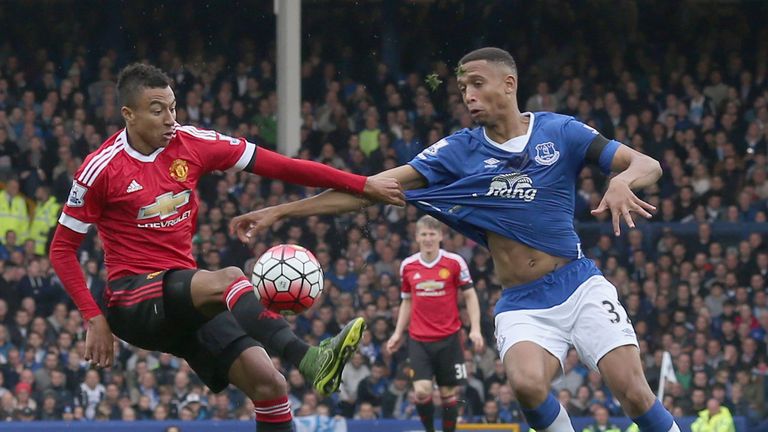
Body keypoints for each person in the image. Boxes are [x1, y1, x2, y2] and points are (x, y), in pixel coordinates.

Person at [231, 47, 680, 432]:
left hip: (579, 285)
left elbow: (648, 164)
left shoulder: (561, 132)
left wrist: (624, 181)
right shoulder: (457, 151)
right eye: (462, 87)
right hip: (522, 301)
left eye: (477, 84)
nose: (468, 95)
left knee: (635, 394)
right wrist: (281, 211)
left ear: (509, 84)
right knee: (526, 385)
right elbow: (367, 189)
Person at [49, 63, 404, 431]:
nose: (170, 118)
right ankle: (308, 358)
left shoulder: (194, 144)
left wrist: (362, 185)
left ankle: (302, 366)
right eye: (158, 110)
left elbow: (285, 167)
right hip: (132, 298)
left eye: (173, 107)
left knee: (270, 385)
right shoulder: (101, 168)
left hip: (184, 300)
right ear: (129, 115)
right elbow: (62, 250)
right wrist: (94, 318)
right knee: (231, 278)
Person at [385, 215, 484, 432]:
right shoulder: (408, 266)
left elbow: (470, 295)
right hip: (419, 339)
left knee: (448, 393)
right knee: (422, 391)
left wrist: (475, 329)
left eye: (432, 234)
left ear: (440, 235)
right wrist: (397, 333)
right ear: (417, 237)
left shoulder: (455, 262)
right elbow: (406, 302)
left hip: (449, 338)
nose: (428, 238)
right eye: (424, 234)